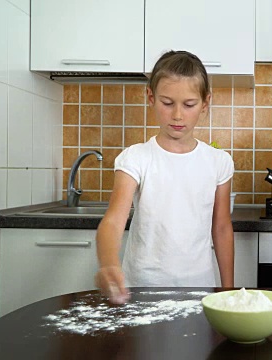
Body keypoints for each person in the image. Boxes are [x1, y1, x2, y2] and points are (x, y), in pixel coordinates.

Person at [94, 50, 235, 304]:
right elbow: (113, 221)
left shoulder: (218, 162)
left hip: (199, 289)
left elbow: (222, 228)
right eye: (167, 103)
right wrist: (108, 263)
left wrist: (228, 291)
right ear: (151, 97)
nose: (178, 115)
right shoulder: (136, 159)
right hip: (143, 289)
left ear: (205, 103)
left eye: (189, 104)